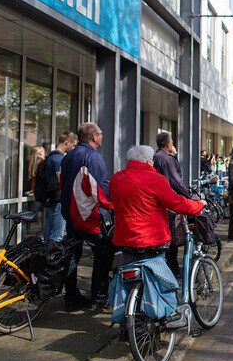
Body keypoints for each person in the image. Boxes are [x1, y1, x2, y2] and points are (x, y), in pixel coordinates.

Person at [109, 145, 206, 331]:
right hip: (151, 240)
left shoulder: (116, 179)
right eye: (151, 159)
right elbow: (175, 202)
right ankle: (165, 315)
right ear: (147, 160)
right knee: (161, 281)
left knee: (129, 282)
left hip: (125, 239)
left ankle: (128, 324)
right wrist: (197, 206)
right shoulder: (155, 179)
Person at [60, 122, 112, 309]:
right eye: (100, 133)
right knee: (103, 252)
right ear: (93, 137)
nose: (102, 137)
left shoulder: (69, 156)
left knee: (72, 253)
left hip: (69, 211)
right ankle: (99, 295)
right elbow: (101, 187)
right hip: (87, 214)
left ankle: (71, 296)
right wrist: (110, 209)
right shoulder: (93, 157)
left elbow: (63, 182)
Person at [153, 131, 194, 277]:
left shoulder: (156, 157)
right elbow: (176, 181)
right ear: (169, 144)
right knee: (172, 238)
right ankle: (173, 269)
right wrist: (189, 197)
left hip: (158, 202)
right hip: (168, 203)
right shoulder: (165, 159)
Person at [41, 131, 77, 242]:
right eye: (73, 145)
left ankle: (44, 256)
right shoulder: (58, 159)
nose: (74, 148)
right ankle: (52, 257)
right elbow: (62, 179)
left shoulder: (51, 157)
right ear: (67, 143)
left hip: (51, 199)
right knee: (57, 234)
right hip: (58, 200)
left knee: (48, 232)